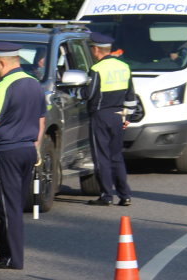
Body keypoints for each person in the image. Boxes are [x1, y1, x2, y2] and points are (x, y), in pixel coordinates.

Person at [0, 41, 45, 270]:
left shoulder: (3, 87)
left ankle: (14, 259)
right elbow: (41, 119)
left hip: (6, 153)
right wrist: (34, 146)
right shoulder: (35, 84)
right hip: (27, 150)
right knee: (14, 205)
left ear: (1, 62)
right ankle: (5, 255)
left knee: (7, 208)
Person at [81, 32, 136, 206]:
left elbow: (89, 94)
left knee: (101, 157)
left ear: (96, 50)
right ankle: (125, 195)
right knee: (116, 157)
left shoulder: (97, 69)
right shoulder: (124, 67)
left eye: (91, 48)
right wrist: (128, 118)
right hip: (118, 116)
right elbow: (131, 97)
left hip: (101, 116)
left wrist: (78, 91)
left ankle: (106, 196)